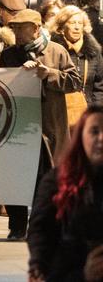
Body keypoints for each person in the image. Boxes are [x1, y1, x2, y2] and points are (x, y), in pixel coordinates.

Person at [0, 9, 81, 239]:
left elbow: (75, 81)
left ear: (35, 29)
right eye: (14, 28)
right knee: (16, 175)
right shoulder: (9, 55)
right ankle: (16, 227)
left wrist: (49, 74)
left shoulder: (57, 51)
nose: (16, 34)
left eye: (21, 29)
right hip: (20, 126)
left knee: (47, 179)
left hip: (50, 127)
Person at [28, 104, 103, 281]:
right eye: (94, 131)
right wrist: (38, 265)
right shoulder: (56, 180)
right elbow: (41, 229)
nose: (101, 138)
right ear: (80, 137)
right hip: (67, 272)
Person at [49, 5, 103, 105]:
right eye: (72, 23)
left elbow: (100, 86)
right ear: (62, 27)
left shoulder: (93, 53)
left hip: (86, 112)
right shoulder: (52, 51)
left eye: (80, 23)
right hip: (58, 111)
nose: (77, 27)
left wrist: (95, 110)